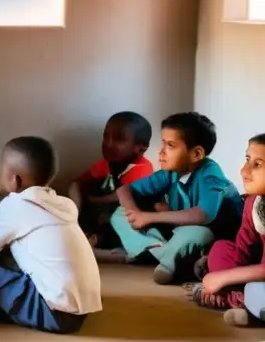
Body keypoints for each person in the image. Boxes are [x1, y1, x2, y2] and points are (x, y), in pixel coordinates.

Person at [0, 136, 102, 334]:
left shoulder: (17, 205)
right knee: (12, 262)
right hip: (79, 312)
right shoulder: (64, 204)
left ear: (15, 180)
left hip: (50, 311)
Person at [106, 112, 242, 285]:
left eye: (170, 145)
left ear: (196, 154)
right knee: (120, 215)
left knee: (195, 233)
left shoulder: (211, 173)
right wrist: (134, 212)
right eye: (162, 143)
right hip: (178, 228)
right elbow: (124, 190)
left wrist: (149, 217)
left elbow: (203, 216)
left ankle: (165, 259)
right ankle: (166, 254)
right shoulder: (169, 173)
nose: (161, 152)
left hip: (211, 232)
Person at [188, 134, 265, 326]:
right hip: (257, 272)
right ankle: (245, 303)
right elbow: (242, 249)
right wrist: (222, 272)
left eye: (257, 165)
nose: (244, 170)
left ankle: (236, 302)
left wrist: (222, 278)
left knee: (256, 292)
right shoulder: (253, 202)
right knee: (222, 248)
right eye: (247, 160)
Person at [67, 112, 155, 247]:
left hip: (123, 218)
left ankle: (96, 240)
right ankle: (80, 231)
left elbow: (125, 196)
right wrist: (75, 211)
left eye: (119, 139)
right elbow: (79, 182)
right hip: (100, 216)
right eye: (106, 137)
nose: (108, 144)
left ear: (140, 148)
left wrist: (97, 200)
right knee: (82, 187)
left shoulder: (141, 168)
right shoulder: (107, 163)